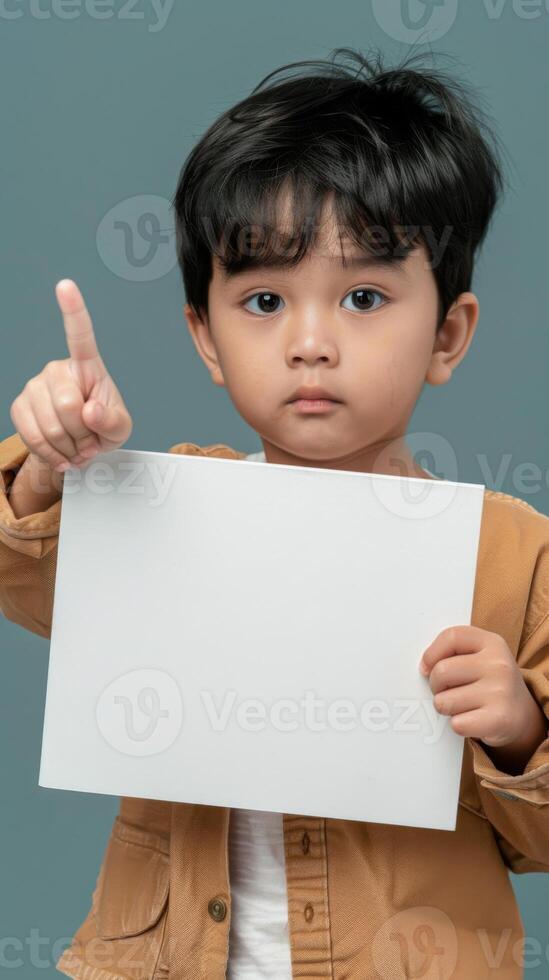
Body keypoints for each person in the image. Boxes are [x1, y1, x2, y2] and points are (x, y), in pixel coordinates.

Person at [1, 46, 548, 980]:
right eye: (262, 300)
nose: (308, 343)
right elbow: (32, 579)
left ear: (446, 334)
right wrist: (54, 468)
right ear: (205, 340)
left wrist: (518, 733)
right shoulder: (163, 504)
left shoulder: (514, 555)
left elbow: (535, 840)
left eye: (364, 296)